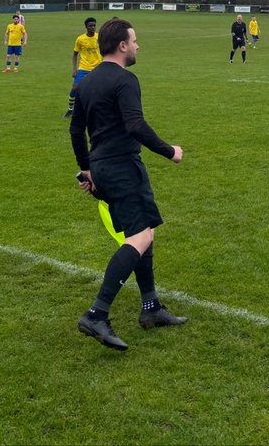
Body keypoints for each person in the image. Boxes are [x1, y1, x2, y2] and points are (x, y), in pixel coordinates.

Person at [70, 18, 187, 350]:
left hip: (102, 166)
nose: (138, 46)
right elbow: (135, 125)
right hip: (122, 166)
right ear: (122, 45)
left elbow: (76, 131)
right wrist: (170, 152)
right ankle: (96, 313)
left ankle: (150, 308)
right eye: (135, 41)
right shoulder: (125, 79)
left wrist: (86, 170)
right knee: (141, 236)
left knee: (144, 231)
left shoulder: (86, 83)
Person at [65, 17, 101, 117]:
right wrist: (74, 69)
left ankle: (96, 110)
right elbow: (75, 54)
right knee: (75, 88)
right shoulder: (80, 39)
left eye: (94, 25)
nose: (93, 28)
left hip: (97, 68)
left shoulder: (99, 37)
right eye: (90, 26)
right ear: (86, 27)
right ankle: (71, 109)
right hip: (84, 67)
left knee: (98, 90)